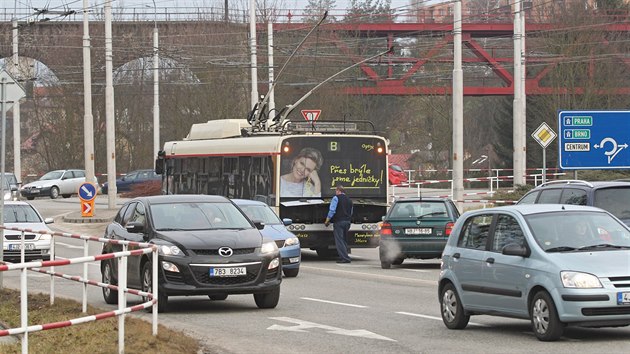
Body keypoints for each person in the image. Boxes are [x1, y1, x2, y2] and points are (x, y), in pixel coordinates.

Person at [325, 185, 353, 263]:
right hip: (347, 222)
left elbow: (332, 210)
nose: (335, 192)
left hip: (339, 222)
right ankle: (345, 255)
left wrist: (327, 220)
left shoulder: (336, 198)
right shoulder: (349, 200)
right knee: (344, 240)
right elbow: (351, 212)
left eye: (336, 191)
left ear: (338, 190)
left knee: (339, 240)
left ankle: (345, 258)